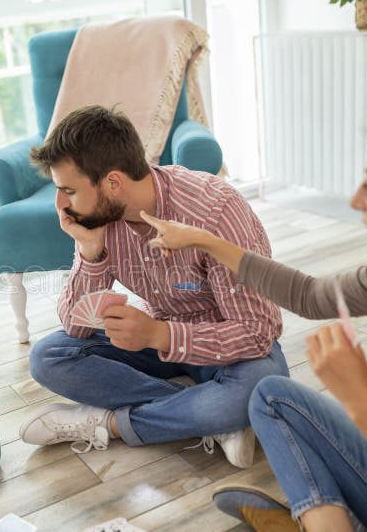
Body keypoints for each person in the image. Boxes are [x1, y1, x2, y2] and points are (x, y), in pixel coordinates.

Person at [140, 96, 367, 531]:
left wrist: (362, 402)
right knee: (272, 396)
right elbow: (310, 295)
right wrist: (208, 241)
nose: (356, 201)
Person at [17, 105, 289, 467]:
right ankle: (206, 415)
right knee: (48, 357)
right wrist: (90, 251)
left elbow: (257, 333)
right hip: (157, 346)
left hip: (229, 351)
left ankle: (108, 423)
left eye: (68, 190)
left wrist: (160, 334)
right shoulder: (101, 217)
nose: (60, 205)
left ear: (113, 183)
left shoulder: (215, 212)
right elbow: (77, 326)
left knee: (261, 385)